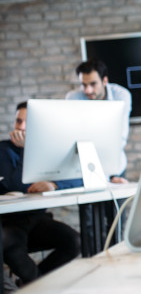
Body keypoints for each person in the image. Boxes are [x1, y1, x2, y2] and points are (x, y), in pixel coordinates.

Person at [0, 102, 81, 285]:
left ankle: (31, 286)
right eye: (18, 121)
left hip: (38, 219)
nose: (20, 127)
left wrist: (54, 184)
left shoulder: (47, 150)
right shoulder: (3, 150)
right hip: (10, 222)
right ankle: (39, 287)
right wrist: (26, 149)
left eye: (26, 123)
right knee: (9, 246)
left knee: (75, 241)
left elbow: (78, 178)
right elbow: (15, 185)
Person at [66, 59, 131, 182]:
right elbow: (71, 136)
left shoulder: (121, 95)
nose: (88, 90)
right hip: (84, 168)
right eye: (84, 85)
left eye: (93, 84)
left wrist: (108, 176)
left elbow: (120, 137)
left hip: (114, 167)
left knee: (121, 200)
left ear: (105, 81)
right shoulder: (73, 98)